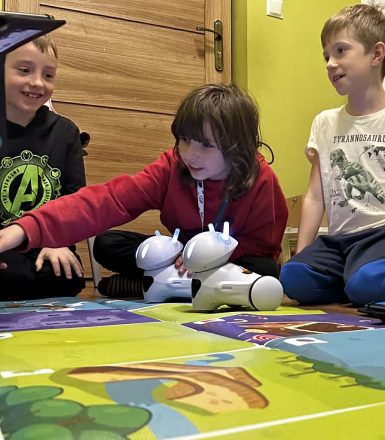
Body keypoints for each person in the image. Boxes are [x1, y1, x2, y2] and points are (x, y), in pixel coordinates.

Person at [0, 84, 288, 297]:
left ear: (237, 147)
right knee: (107, 244)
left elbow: (263, 245)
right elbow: (108, 200)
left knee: (265, 268)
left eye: (206, 145)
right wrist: (22, 230)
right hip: (181, 256)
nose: (190, 154)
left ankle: (158, 284)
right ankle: (187, 286)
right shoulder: (172, 167)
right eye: (185, 140)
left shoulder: (261, 179)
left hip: (230, 258)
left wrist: (206, 255)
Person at [279, 4, 385, 306]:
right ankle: (354, 281)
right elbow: (315, 196)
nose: (330, 63)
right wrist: (302, 253)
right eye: (326, 56)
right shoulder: (324, 123)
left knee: (370, 281)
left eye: (340, 50)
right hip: (341, 240)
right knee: (292, 276)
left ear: (376, 54)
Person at [0, 35, 86, 299]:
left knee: (64, 272)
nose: (38, 82)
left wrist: (57, 242)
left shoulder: (65, 132)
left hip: (45, 247)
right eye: (24, 70)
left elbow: (75, 201)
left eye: (48, 75)